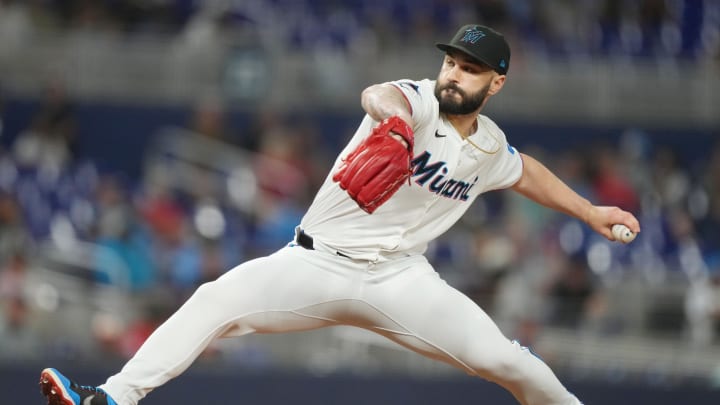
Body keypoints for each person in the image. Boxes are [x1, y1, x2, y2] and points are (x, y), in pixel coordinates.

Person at [39, 24, 640, 405]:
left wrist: (589, 211)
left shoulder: (487, 147)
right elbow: (376, 95)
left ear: (496, 83)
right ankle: (111, 399)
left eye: (471, 68)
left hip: (403, 280)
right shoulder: (417, 98)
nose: (454, 74)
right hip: (316, 263)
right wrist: (398, 123)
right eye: (451, 62)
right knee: (213, 299)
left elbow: (524, 170)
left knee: (510, 362)